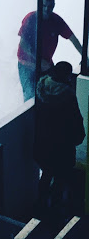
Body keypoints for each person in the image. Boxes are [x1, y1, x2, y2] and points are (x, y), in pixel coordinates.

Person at [34, 62, 85, 217]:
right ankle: (55, 212)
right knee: (60, 179)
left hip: (42, 146)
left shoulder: (41, 90)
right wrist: (77, 139)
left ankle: (40, 208)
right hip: (62, 149)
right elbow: (76, 123)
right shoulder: (68, 97)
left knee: (46, 175)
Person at [17, 0, 83, 101]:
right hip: (27, 64)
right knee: (30, 97)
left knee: (52, 92)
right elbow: (23, 44)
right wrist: (39, 60)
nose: (47, 9)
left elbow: (72, 38)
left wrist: (84, 56)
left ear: (54, 6)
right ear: (39, 5)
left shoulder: (56, 20)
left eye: (50, 6)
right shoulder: (31, 18)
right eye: (44, 5)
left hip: (46, 64)